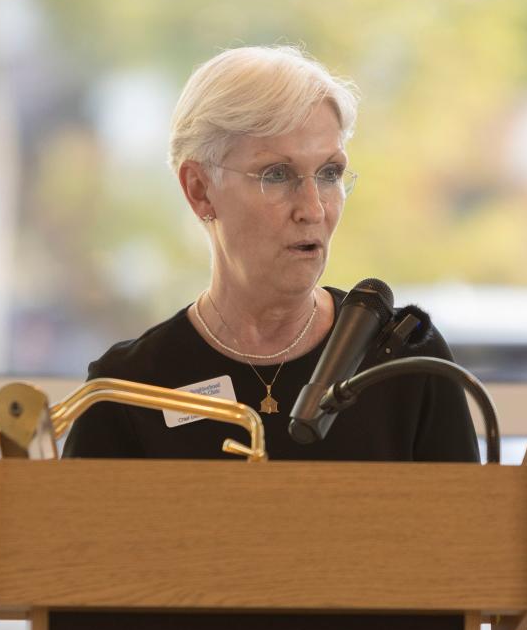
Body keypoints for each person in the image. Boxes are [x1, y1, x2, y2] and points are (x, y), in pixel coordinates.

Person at [62, 45, 479, 462]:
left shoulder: (406, 364)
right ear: (199, 190)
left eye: (330, 173)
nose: (314, 209)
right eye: (277, 175)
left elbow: (472, 527)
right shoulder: (127, 389)